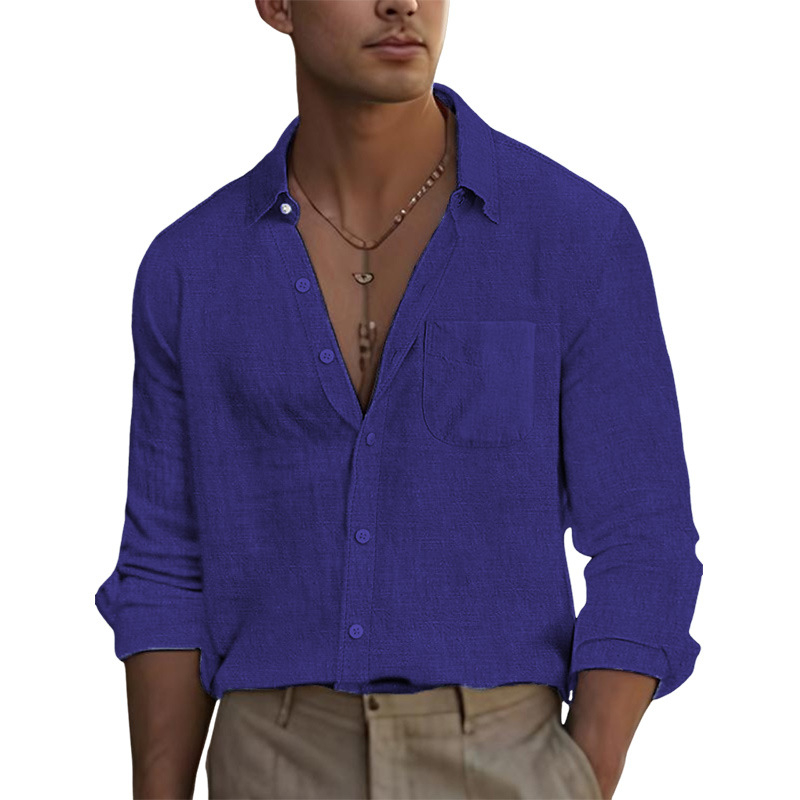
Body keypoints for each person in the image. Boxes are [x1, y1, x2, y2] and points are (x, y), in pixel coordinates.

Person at [94, 1, 703, 798]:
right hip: (270, 760)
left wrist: (578, 773)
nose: (403, 3)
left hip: (506, 759)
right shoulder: (191, 268)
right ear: (276, 5)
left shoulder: (576, 238)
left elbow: (644, 539)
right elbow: (167, 567)